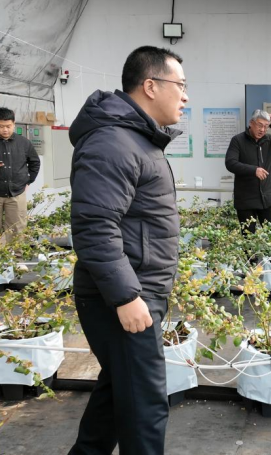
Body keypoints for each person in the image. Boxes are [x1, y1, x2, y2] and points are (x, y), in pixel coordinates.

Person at [67, 45, 188, 455]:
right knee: (144, 408)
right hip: (122, 296)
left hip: (136, 289)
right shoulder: (114, 142)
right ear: (150, 86)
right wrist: (126, 296)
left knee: (118, 394)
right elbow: (95, 225)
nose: (185, 95)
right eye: (180, 85)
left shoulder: (136, 139)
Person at [225, 109, 271, 233]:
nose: (262, 130)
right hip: (246, 199)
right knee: (248, 237)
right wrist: (253, 170)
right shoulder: (238, 140)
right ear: (251, 123)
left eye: (266, 126)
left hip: (268, 198)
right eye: (260, 125)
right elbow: (230, 163)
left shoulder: (269, 140)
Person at [0, 107, 40, 245]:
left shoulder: (24, 142)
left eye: (8, 126)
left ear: (14, 124)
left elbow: (34, 163)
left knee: (17, 228)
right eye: (1, 126)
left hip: (16, 193)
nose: (5, 130)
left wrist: (28, 181)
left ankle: (18, 257)